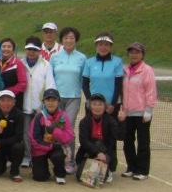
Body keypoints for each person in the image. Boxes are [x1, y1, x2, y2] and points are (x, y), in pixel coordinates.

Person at [82, 32, 123, 171]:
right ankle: (90, 165)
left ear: (111, 46)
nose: (103, 47)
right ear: (96, 46)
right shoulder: (89, 62)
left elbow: (118, 84)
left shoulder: (117, 62)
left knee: (110, 137)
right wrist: (90, 102)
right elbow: (85, 84)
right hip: (93, 106)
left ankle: (110, 167)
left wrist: (112, 105)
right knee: (91, 136)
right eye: (100, 44)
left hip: (110, 106)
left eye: (106, 45)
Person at [49, 27, 86, 174]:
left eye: (71, 38)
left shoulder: (82, 58)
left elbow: (84, 79)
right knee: (55, 128)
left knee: (68, 127)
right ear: (61, 40)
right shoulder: (55, 57)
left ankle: (70, 161)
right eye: (66, 38)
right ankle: (57, 159)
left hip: (73, 98)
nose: (69, 40)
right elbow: (51, 78)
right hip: (57, 99)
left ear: (76, 40)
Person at [120, 42, 157, 180]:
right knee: (127, 141)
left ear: (142, 54)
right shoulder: (125, 70)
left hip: (142, 113)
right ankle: (131, 167)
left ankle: (142, 170)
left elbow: (151, 90)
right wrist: (122, 109)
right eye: (131, 52)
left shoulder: (147, 70)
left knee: (143, 142)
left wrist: (148, 110)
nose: (134, 55)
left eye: (137, 52)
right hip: (127, 113)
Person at [21, 36, 56, 167]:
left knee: (40, 133)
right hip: (24, 106)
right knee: (26, 133)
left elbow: (50, 85)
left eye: (34, 50)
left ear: (39, 51)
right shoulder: (20, 63)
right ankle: (27, 156)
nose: (31, 52)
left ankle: (40, 157)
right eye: (29, 49)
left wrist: (45, 106)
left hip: (40, 107)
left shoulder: (46, 65)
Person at [28, 88, 74, 184]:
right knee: (40, 177)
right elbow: (34, 139)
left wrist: (54, 131)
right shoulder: (39, 116)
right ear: (43, 102)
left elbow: (69, 137)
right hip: (41, 149)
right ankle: (42, 167)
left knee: (58, 155)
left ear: (58, 102)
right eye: (48, 100)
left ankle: (59, 173)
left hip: (57, 148)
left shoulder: (63, 116)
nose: (51, 103)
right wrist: (50, 146)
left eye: (54, 100)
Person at [76, 93, 119, 182]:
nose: (97, 107)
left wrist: (122, 121)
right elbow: (84, 141)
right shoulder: (84, 122)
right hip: (90, 152)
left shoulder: (110, 120)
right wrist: (97, 152)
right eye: (94, 104)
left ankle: (108, 169)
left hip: (105, 152)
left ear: (105, 107)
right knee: (81, 177)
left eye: (100, 104)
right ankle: (91, 164)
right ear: (90, 106)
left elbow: (120, 136)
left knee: (99, 179)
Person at [0, 38, 27, 109]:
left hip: (14, 101)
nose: (6, 49)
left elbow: (23, 84)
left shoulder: (18, 63)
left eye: (9, 47)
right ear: (0, 49)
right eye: (4, 46)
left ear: (13, 50)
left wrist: (6, 93)